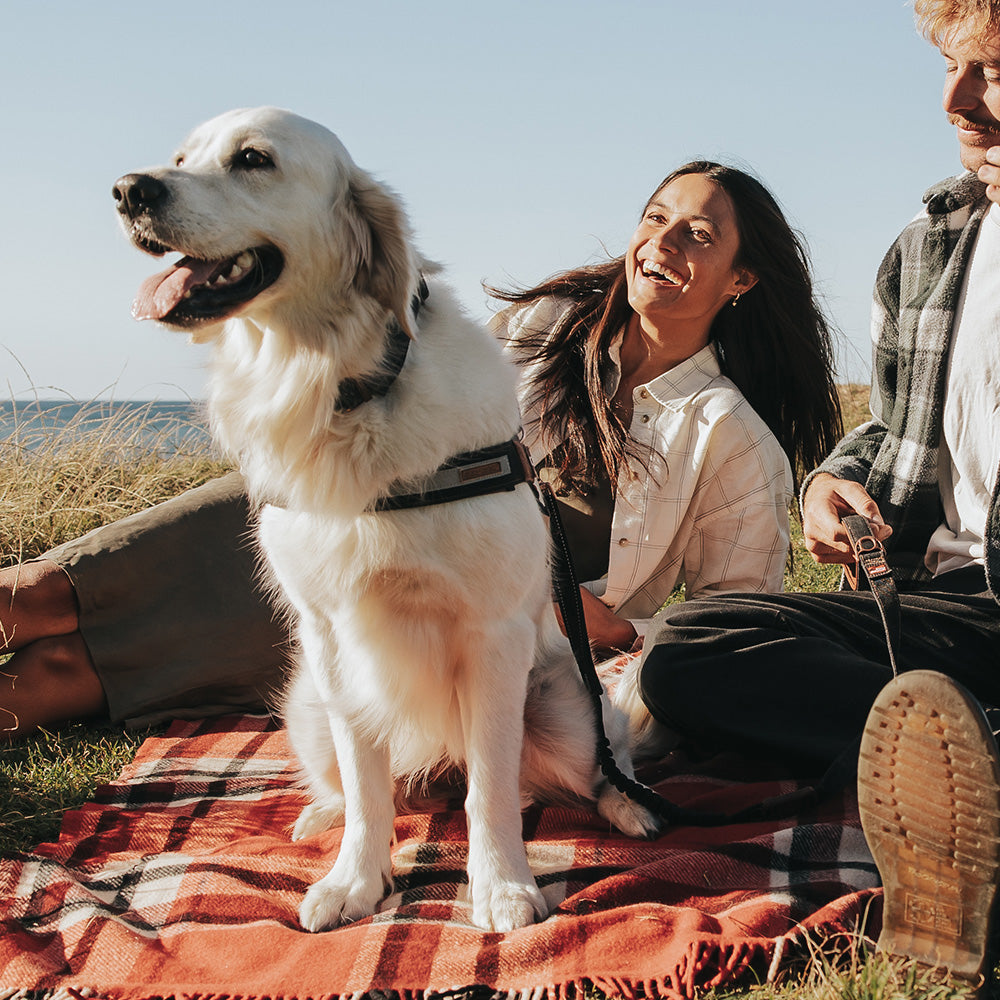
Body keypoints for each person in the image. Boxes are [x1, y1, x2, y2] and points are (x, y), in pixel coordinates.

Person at [0, 162, 842, 739]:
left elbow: (738, 634)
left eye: (700, 235)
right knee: (37, 593)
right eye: (656, 219)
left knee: (63, 676)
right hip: (330, 519)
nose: (662, 244)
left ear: (741, 280)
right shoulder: (537, 332)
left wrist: (612, 628)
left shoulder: (731, 438)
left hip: (428, 625)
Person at [635, 0, 1000, 986]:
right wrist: (835, 479)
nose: (957, 102)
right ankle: (964, 759)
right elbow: (894, 424)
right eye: (950, 66)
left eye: (995, 72)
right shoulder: (931, 246)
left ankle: (953, 784)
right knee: (689, 646)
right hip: (934, 613)